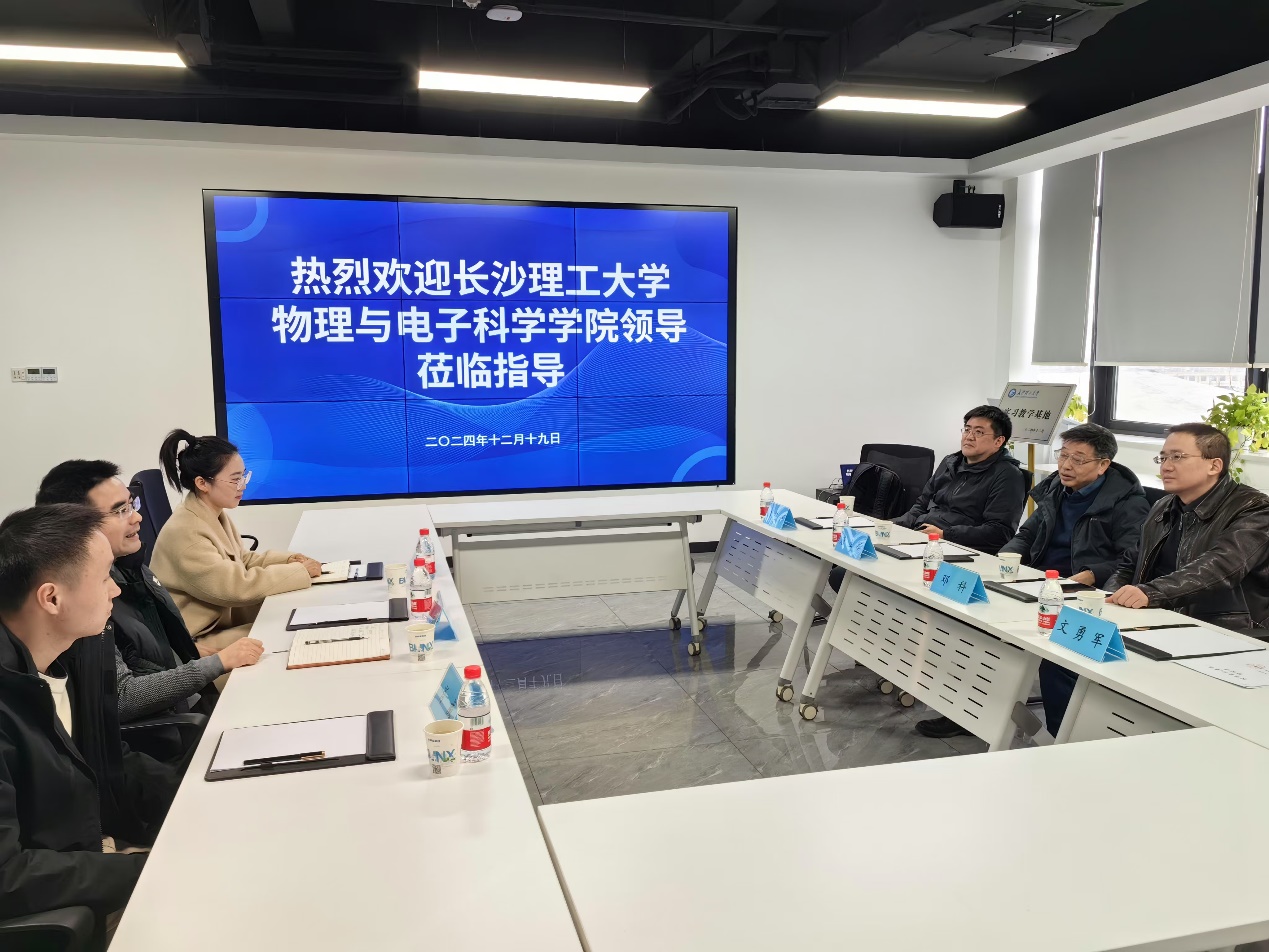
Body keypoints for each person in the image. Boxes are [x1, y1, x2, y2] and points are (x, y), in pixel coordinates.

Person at [0, 504, 179, 940]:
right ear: (52, 598)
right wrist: (151, 870)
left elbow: (107, 761)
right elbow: (8, 877)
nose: (115, 590)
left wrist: (194, 798)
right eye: (103, 579)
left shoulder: (72, 658)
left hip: (94, 865)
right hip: (63, 914)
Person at [917, 423, 1151, 739]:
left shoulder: (1127, 503)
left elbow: (1132, 558)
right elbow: (1027, 533)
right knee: (972, 621)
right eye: (1063, 455)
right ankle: (969, 711)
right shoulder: (1056, 488)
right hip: (1038, 579)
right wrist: (1007, 556)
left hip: (1080, 591)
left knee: (1057, 657)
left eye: (1078, 459)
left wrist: (1093, 573)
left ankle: (1062, 738)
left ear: (1103, 464)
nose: (1066, 465)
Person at [35, 460, 265, 752]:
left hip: (189, 704)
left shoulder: (131, 567)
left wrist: (193, 656)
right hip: (170, 740)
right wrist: (215, 664)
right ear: (77, 528)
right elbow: (121, 696)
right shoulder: (81, 604)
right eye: (120, 511)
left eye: (132, 505)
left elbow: (148, 651)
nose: (137, 518)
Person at [149, 430, 320, 657]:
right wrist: (297, 572)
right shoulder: (187, 533)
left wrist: (288, 560)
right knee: (285, 632)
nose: (243, 486)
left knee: (293, 614)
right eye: (235, 479)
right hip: (199, 640)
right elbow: (237, 587)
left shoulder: (210, 512)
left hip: (222, 620)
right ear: (202, 483)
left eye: (243, 476)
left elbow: (243, 559)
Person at [1106, 423, 1269, 631]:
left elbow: (1219, 568)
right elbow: (1130, 565)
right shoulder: (1163, 506)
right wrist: (1109, 601)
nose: (1166, 467)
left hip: (1225, 630)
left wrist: (1151, 593)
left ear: (1214, 466)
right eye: (1163, 458)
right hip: (1155, 621)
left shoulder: (1254, 508)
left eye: (1177, 457)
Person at [893, 405, 1027, 554]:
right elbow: (922, 504)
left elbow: (999, 532)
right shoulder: (950, 462)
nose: (969, 437)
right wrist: (894, 526)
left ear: (998, 441)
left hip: (960, 549)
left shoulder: (1008, 476)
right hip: (924, 536)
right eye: (967, 430)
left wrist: (945, 534)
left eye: (979, 432)